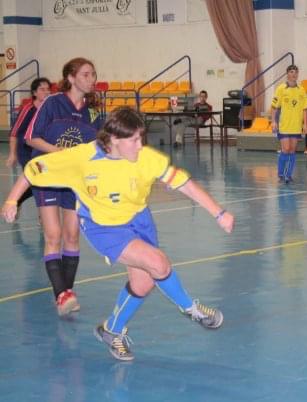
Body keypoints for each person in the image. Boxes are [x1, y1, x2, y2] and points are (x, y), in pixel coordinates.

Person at [2, 107, 234, 361]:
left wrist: (219, 213)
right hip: (104, 228)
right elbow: (33, 170)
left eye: (141, 138)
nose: (140, 145)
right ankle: (192, 308)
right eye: (134, 139)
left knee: (143, 283)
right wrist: (12, 201)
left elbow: (186, 185)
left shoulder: (147, 158)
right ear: (113, 140)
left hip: (139, 220)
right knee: (158, 263)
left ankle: (111, 330)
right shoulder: (81, 157)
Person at [24, 57, 103, 316]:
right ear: (71, 77)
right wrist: (59, 152)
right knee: (54, 235)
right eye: (86, 74)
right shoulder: (52, 103)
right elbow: (31, 138)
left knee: (72, 236)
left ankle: (64, 293)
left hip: (73, 179)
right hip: (48, 175)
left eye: (93, 74)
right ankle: (61, 293)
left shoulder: (93, 112)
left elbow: (97, 148)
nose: (91, 79)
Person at [5, 77, 52, 206]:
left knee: (39, 181)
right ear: (34, 93)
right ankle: (16, 202)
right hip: (25, 151)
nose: (47, 92)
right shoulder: (28, 109)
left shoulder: (50, 109)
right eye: (42, 89)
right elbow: (14, 132)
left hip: (42, 150)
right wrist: (12, 154)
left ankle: (17, 201)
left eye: (48, 89)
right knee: (36, 178)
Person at [271, 64, 307, 183]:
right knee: (286, 149)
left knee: (292, 150)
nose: (294, 74)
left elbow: (305, 109)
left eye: (296, 72)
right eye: (292, 72)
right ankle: (281, 174)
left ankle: (288, 175)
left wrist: (305, 124)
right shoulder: (281, 89)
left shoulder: (301, 90)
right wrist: (273, 121)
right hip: (284, 125)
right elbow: (274, 107)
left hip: (296, 125)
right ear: (287, 74)